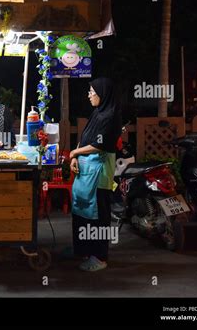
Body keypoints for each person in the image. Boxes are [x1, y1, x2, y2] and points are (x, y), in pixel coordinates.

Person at [70, 77, 121, 272]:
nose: (89, 95)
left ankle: (99, 257)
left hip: (99, 174)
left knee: (98, 214)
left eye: (92, 92)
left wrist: (75, 153)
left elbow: (100, 145)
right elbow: (85, 138)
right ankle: (83, 250)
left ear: (103, 94)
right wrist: (75, 155)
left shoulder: (111, 116)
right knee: (82, 212)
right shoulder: (97, 113)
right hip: (85, 170)